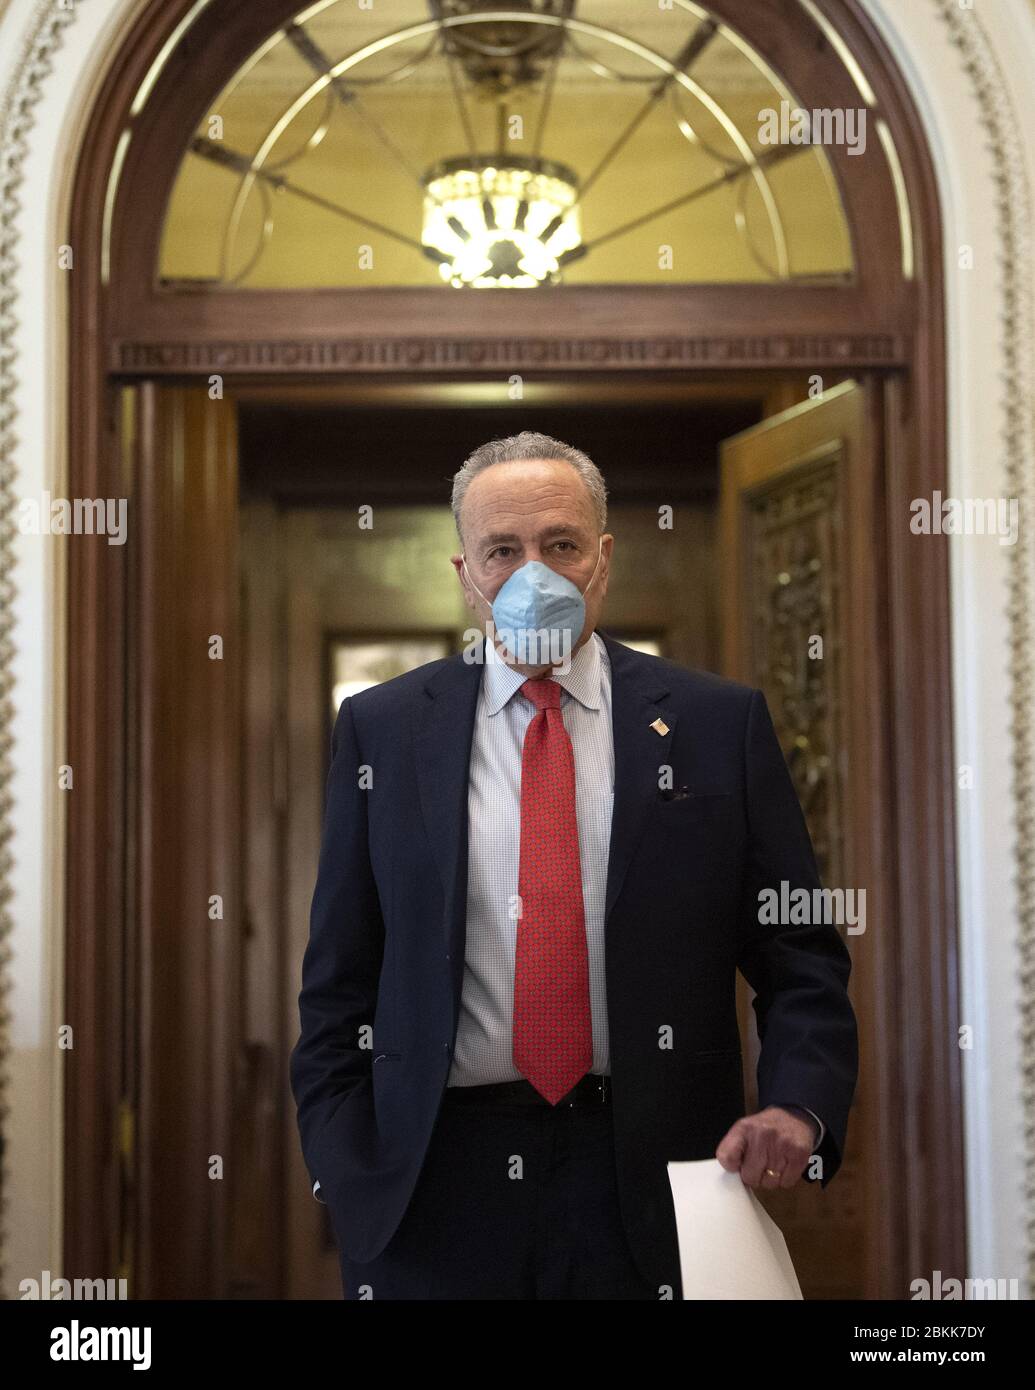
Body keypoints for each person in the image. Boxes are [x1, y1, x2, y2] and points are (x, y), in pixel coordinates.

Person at [289, 430, 858, 1299]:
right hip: (435, 1183)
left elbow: (798, 955)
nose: (533, 574)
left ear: (603, 557)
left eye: (559, 545)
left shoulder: (715, 724)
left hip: (657, 1175)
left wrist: (798, 1106)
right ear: (464, 572)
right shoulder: (383, 728)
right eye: (502, 551)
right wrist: (346, 1162)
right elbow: (340, 975)